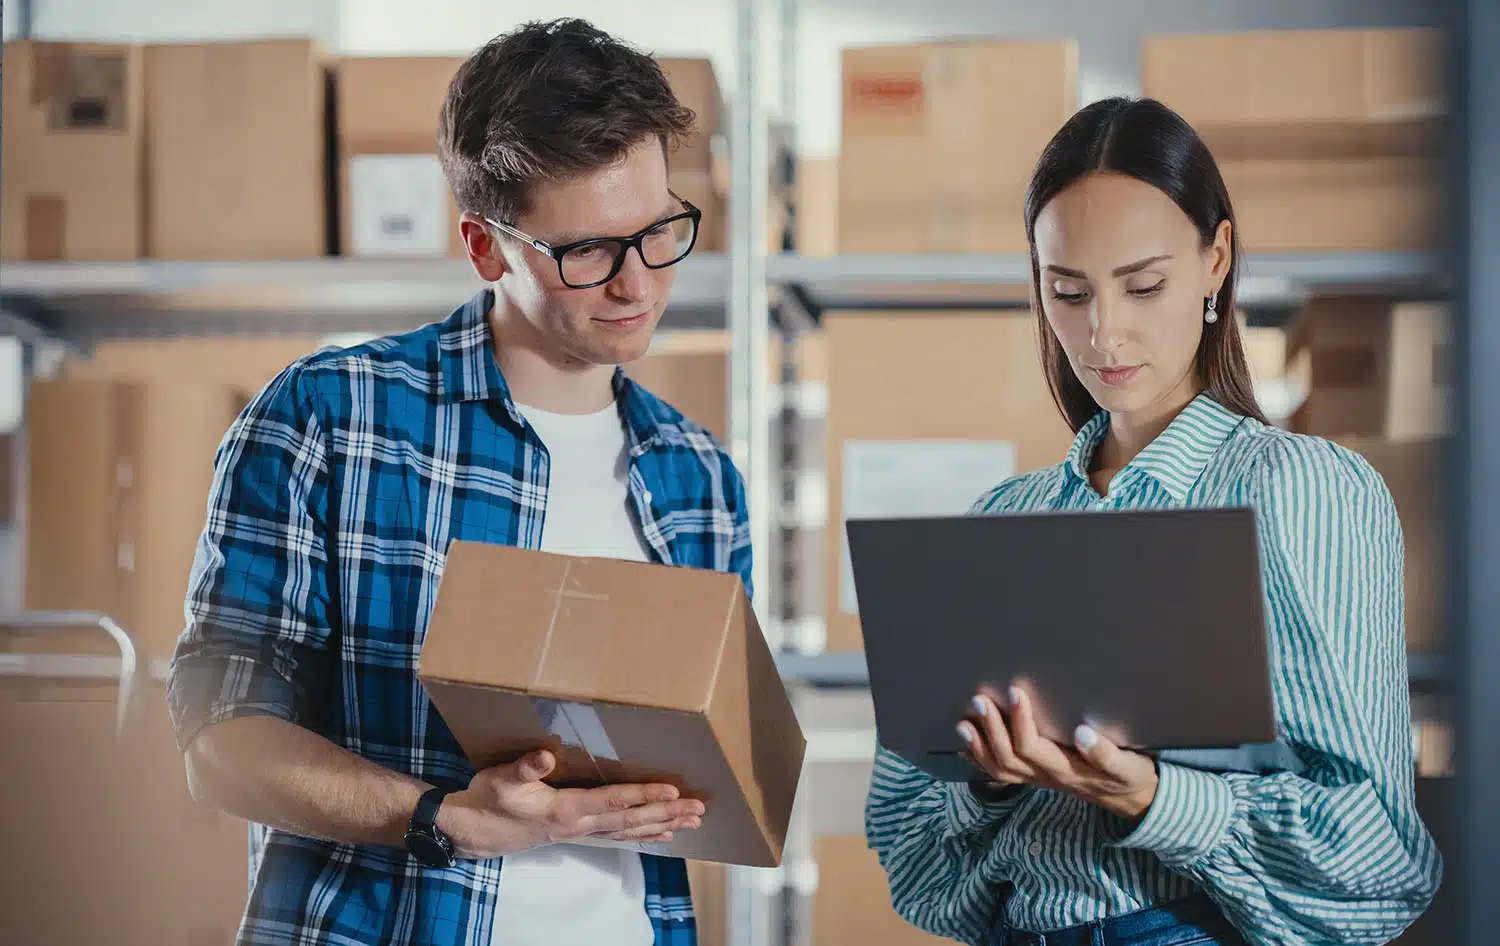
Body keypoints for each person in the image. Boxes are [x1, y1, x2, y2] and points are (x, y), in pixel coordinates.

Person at [166, 19, 746, 946]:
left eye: (657, 230)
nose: (637, 283)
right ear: (485, 247)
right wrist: (445, 815)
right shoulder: (329, 417)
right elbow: (219, 744)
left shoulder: (701, 479)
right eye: (588, 251)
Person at [865, 96, 1443, 946]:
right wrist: (991, 781)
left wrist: (1151, 796)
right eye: (1068, 291)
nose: (1104, 332)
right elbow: (912, 863)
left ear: (1217, 261)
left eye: (1144, 285)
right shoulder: (1003, 519)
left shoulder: (1300, 489)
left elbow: (1381, 859)